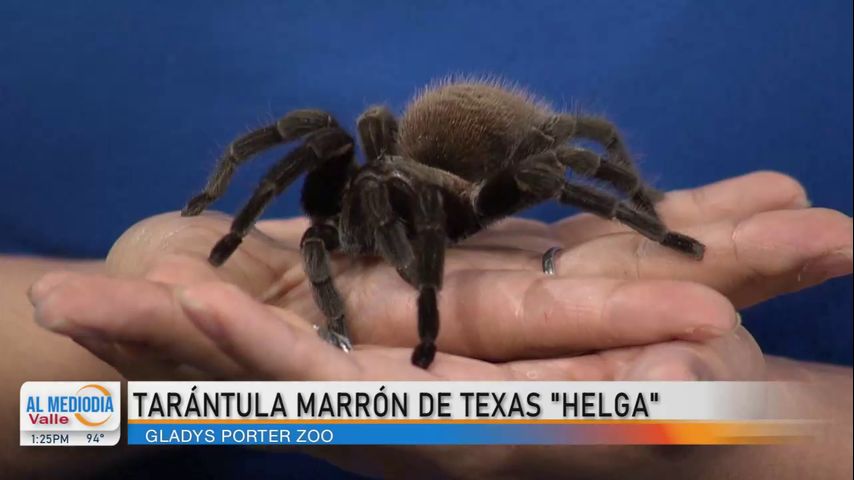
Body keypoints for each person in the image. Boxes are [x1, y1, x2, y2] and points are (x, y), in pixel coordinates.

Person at [6, 172, 852, 478]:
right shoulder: (338, 209)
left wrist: (755, 444)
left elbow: (561, 153)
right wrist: (170, 342)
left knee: (556, 152)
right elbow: (50, 406)